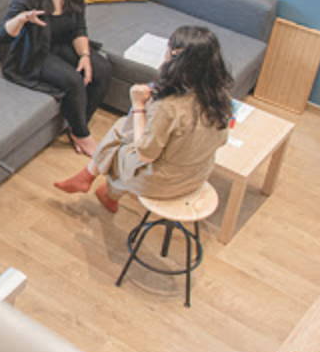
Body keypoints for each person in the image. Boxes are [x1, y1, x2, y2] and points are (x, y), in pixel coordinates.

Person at [54, 25, 234, 213]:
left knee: (121, 140)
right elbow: (221, 140)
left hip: (163, 183)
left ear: (174, 56)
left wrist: (138, 105)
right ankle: (99, 187)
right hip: (198, 175)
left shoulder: (168, 106)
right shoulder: (220, 96)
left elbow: (145, 155)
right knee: (127, 128)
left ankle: (92, 179)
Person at [0, 0, 112, 155]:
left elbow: (79, 28)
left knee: (103, 70)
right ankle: (82, 135)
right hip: (32, 52)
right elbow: (3, 35)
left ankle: (78, 124)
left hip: (61, 43)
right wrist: (22, 19)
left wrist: (85, 56)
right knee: (74, 80)